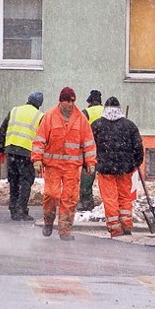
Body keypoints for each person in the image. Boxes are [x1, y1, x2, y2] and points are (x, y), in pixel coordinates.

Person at [31, 87, 96, 241]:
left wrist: (90, 162)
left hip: (72, 166)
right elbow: (39, 139)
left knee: (70, 198)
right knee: (51, 195)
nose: (70, 104)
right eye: (68, 101)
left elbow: (88, 142)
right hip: (53, 165)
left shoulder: (81, 119)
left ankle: (65, 230)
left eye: (73, 101)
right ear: (61, 101)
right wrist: (37, 159)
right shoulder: (49, 117)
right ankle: (48, 222)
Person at [91, 97, 144, 238]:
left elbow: (90, 146)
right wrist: (135, 163)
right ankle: (126, 224)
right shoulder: (129, 125)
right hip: (125, 168)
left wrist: (93, 162)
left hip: (105, 169)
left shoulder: (97, 125)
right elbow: (138, 147)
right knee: (125, 197)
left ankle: (115, 228)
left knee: (110, 198)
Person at [0, 91, 44, 221]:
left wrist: (0, 149)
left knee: (14, 181)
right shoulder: (39, 116)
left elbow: (2, 130)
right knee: (26, 182)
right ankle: (21, 210)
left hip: (11, 150)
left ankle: (13, 209)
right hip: (26, 153)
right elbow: (43, 137)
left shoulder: (15, 110)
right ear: (39, 104)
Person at [77, 89, 103, 212]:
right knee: (107, 178)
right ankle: (109, 202)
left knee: (87, 177)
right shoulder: (106, 111)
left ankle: (87, 202)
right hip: (107, 149)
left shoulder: (85, 112)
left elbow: (79, 130)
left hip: (90, 149)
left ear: (90, 101)